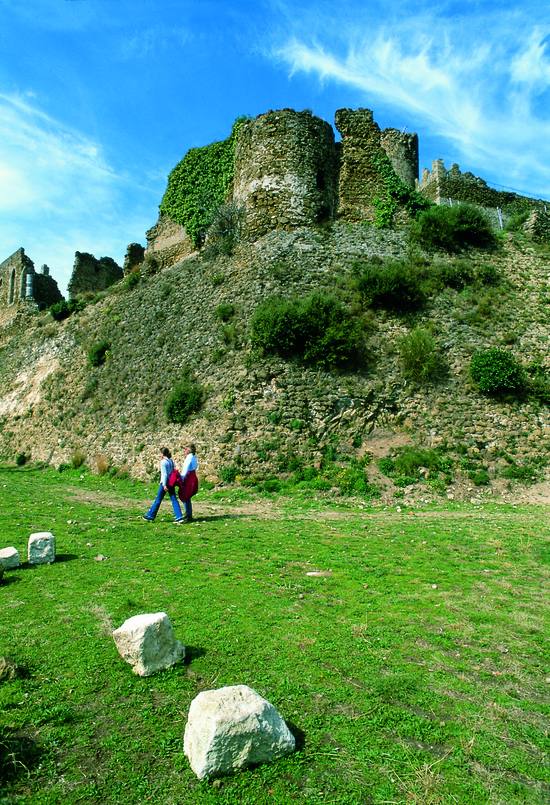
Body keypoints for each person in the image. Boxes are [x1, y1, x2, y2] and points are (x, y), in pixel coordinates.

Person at [143, 447, 185, 523]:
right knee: (174, 499)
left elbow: (164, 474)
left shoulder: (163, 462)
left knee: (158, 499)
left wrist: (164, 485)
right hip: (171, 482)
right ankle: (179, 516)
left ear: (162, 454)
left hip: (165, 482)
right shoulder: (171, 461)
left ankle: (150, 515)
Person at [178, 443, 199, 522]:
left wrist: (181, 479)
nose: (184, 451)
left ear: (189, 450)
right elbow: (195, 466)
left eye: (186, 449)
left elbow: (185, 470)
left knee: (185, 495)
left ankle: (187, 515)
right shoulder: (194, 457)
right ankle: (189, 514)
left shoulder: (189, 458)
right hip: (193, 476)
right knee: (187, 496)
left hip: (188, 477)